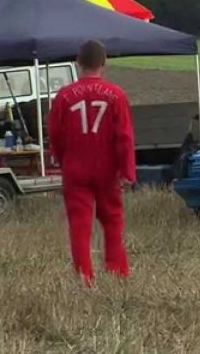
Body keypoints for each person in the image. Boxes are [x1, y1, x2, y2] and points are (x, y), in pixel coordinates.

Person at [47, 40, 136, 286]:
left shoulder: (64, 96)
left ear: (78, 61)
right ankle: (118, 270)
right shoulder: (117, 95)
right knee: (113, 219)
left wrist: (62, 159)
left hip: (76, 166)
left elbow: (55, 133)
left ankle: (83, 275)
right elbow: (124, 137)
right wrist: (127, 170)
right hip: (107, 168)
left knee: (79, 222)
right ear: (104, 63)